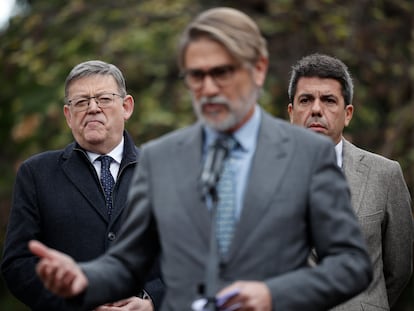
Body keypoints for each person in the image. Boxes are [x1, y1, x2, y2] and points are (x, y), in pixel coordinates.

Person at [28, 8, 373, 311]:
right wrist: (81, 279)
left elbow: (351, 265)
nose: (207, 87)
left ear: (257, 70)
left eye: (221, 73)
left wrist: (273, 295)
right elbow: (127, 262)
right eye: (197, 75)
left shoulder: (307, 154)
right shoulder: (160, 157)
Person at [1, 60, 164, 311]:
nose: (93, 108)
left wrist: (152, 301)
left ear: (126, 107)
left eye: (104, 98)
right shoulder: (36, 174)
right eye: (81, 102)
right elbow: (17, 264)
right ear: (68, 115)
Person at [287, 53, 414, 310]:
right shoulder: (263, 174)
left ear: (347, 114)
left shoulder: (385, 175)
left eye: (329, 100)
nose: (316, 109)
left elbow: (399, 269)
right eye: (305, 100)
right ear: (291, 113)